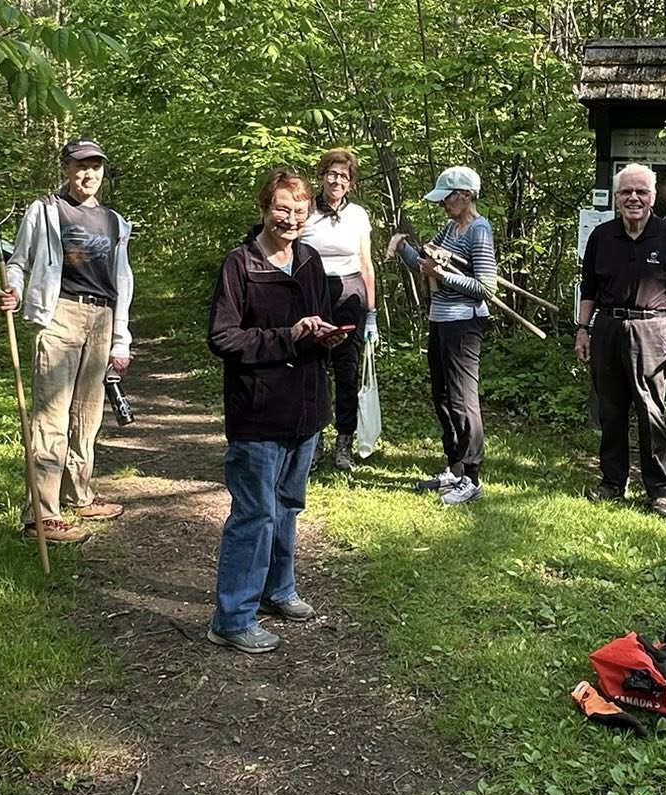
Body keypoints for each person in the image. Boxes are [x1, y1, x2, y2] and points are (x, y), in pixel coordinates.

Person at [205, 166, 352, 653]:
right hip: (258, 410)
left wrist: (325, 335)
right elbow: (223, 338)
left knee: (288, 505)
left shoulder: (309, 260)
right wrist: (286, 336)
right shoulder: (240, 264)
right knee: (255, 513)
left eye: (299, 210)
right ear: (264, 209)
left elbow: (318, 320)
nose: (290, 219)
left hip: (305, 406)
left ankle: (277, 589)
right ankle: (232, 618)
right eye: (281, 209)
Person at [0, 138, 135, 544]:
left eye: (95, 167)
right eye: (80, 166)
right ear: (66, 169)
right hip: (60, 314)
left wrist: (121, 338)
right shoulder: (45, 210)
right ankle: (41, 516)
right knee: (52, 417)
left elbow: (122, 281)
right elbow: (19, 261)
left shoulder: (114, 221)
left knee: (87, 416)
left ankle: (79, 493)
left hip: (102, 317)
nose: (88, 174)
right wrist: (14, 291)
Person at [577, 164, 666, 517]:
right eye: (626, 192)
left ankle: (660, 491)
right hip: (607, 328)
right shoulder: (601, 236)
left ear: (653, 197)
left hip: (652, 329)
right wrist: (582, 329)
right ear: (616, 198)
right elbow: (589, 289)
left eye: (641, 192)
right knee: (610, 409)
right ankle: (612, 482)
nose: (634, 198)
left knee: (651, 410)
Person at [387, 165, 496, 506]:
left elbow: (486, 288)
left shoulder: (478, 230)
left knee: (463, 399)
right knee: (443, 396)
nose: (442, 204)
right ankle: (456, 467)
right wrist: (402, 246)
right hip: (441, 319)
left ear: (466, 195)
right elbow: (426, 265)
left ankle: (472, 479)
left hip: (464, 324)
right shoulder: (450, 228)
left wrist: (443, 276)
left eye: (446, 198)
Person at [297, 148, 378, 471]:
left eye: (344, 176)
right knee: (313, 369)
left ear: (351, 182)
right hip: (313, 294)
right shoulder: (306, 211)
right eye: (332, 173)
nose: (337, 180)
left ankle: (344, 441)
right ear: (321, 176)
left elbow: (366, 264)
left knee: (347, 370)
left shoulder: (358, 215)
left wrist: (371, 314)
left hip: (349, 295)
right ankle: (313, 441)